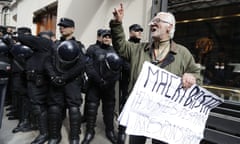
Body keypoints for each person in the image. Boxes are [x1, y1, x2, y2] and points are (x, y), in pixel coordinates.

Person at [111, 4, 202, 144]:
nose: (152, 23)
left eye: (157, 21)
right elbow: (120, 45)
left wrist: (192, 77)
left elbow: (197, 76)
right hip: (139, 111)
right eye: (152, 21)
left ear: (169, 27)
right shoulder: (139, 49)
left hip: (165, 116)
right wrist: (117, 23)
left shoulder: (182, 53)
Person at [81, 29, 122, 144]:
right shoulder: (92, 49)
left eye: (109, 36)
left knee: (109, 110)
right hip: (94, 85)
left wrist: (110, 81)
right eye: (105, 36)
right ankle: (90, 132)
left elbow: (118, 69)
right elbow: (88, 66)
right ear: (101, 37)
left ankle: (110, 131)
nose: (107, 38)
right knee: (91, 109)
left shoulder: (115, 50)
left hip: (109, 87)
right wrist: (99, 80)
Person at [17, 27, 53, 144]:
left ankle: (44, 134)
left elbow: (22, 37)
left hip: (39, 82)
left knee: (39, 107)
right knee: (34, 105)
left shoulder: (45, 43)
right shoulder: (38, 48)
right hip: (32, 80)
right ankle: (34, 125)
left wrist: (14, 35)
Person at [117, 24, 144, 144]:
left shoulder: (144, 47)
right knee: (124, 106)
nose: (139, 32)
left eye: (140, 31)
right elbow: (122, 63)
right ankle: (121, 132)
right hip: (126, 82)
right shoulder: (126, 46)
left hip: (141, 83)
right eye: (136, 30)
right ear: (130, 32)